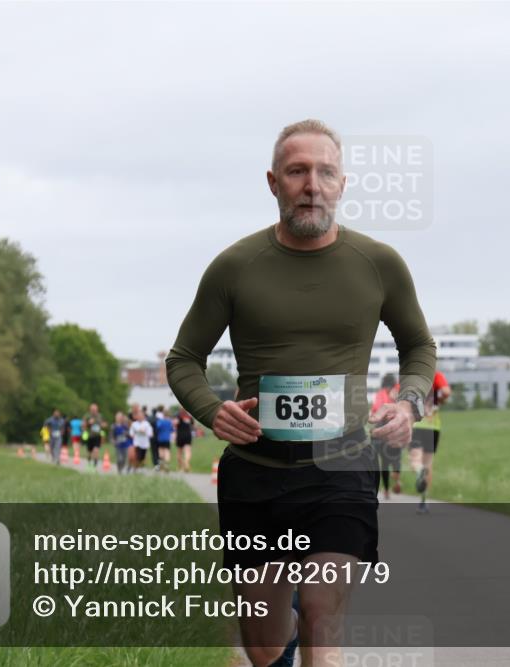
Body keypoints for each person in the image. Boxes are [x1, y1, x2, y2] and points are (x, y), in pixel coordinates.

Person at [165, 119, 435, 667]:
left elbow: (419, 347)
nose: (312, 185)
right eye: (297, 172)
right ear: (273, 182)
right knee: (263, 644)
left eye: (325, 172)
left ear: (342, 183)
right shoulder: (234, 267)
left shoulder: (379, 264)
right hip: (256, 470)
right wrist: (213, 411)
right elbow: (183, 359)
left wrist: (409, 404)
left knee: (321, 613)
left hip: (342, 464)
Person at [409, 370, 451, 514]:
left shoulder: (413, 376)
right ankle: (424, 501)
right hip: (433, 426)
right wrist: (440, 400)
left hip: (417, 425)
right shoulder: (436, 375)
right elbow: (446, 392)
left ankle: (419, 471)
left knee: (415, 461)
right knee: (428, 463)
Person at [371, 374, 403, 500]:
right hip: (391, 431)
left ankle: (388, 488)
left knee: (386, 462)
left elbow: (375, 410)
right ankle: (392, 483)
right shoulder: (395, 392)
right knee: (393, 460)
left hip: (385, 431)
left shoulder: (382, 394)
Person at [129, 408, 154, 472]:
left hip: (145, 443)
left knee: (142, 457)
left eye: (141, 416)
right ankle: (135, 468)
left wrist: (148, 433)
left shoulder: (147, 424)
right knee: (138, 455)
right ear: (137, 417)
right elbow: (132, 432)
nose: (140, 417)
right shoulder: (134, 424)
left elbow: (150, 433)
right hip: (137, 443)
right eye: (139, 416)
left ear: (143, 416)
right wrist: (134, 433)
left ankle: (139, 466)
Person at [83, 403, 106, 469]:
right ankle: (89, 461)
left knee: (96, 450)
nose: (94, 411)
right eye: (92, 409)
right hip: (89, 436)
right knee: (89, 452)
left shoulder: (100, 416)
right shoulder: (87, 416)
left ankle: (95, 464)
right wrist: (88, 423)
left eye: (95, 409)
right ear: (90, 410)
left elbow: (104, 424)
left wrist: (103, 425)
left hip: (97, 436)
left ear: (97, 409)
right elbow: (83, 425)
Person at [175, 409, 195, 473]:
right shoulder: (189, 416)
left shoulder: (178, 415)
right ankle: (186, 463)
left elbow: (175, 423)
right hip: (188, 435)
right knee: (187, 451)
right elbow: (193, 425)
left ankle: (181, 467)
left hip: (180, 435)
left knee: (179, 452)